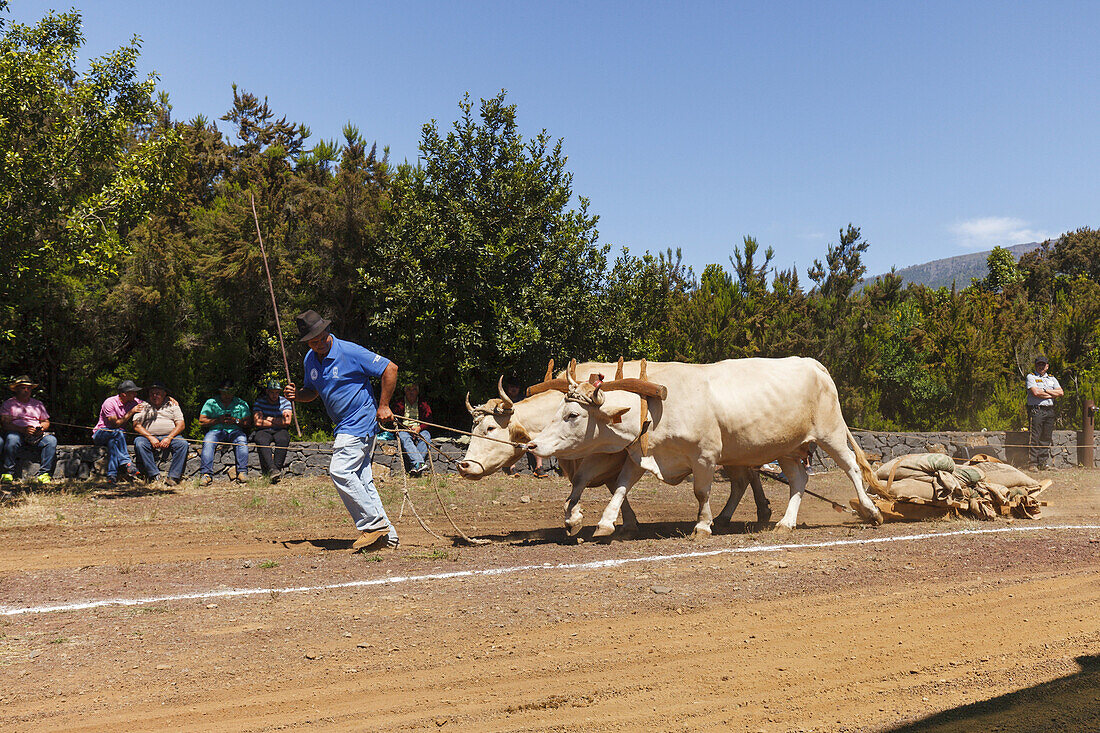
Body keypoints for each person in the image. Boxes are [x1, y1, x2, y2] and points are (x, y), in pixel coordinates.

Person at [284, 310, 399, 551]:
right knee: (362, 479)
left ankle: (373, 524)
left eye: (319, 339)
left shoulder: (349, 351)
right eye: (311, 342)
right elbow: (312, 391)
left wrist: (384, 405)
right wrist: (297, 396)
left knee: (340, 470)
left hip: (359, 421)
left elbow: (391, 368)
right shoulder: (310, 359)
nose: (316, 345)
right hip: (343, 426)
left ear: (327, 331)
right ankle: (388, 538)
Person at [1, 376, 57, 484]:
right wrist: (23, 429)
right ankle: (8, 473)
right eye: (23, 388)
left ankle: (44, 474)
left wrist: (41, 429)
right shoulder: (8, 404)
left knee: (51, 440)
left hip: (36, 435)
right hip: (17, 433)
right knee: (12, 438)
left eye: (29, 388)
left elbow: (46, 421)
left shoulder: (38, 404)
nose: (26, 390)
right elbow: (5, 424)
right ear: (16, 389)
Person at [132, 381, 188, 486]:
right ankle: (154, 475)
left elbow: (181, 425)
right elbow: (136, 425)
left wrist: (169, 438)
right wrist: (150, 437)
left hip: (170, 436)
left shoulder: (173, 405)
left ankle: (173, 477)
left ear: (164, 394)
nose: (154, 396)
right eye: (152, 393)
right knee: (139, 443)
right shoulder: (143, 406)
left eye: (157, 393)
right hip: (148, 437)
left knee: (182, 444)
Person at [198, 380, 251, 485]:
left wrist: (235, 420)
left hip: (235, 431)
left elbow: (248, 422)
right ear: (220, 392)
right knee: (208, 441)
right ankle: (206, 474)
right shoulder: (211, 402)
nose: (227, 395)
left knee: (242, 440)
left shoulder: (241, 403)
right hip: (216, 430)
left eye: (229, 392)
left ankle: (242, 472)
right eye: (224, 392)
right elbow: (201, 421)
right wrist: (218, 420)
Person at [93, 380, 143, 484]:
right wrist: (131, 412)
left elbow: (149, 404)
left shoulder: (134, 401)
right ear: (124, 394)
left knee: (113, 444)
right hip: (101, 433)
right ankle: (126, 462)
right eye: (133, 392)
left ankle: (112, 476)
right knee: (119, 432)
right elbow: (115, 424)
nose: (136, 394)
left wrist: (169, 399)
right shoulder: (110, 403)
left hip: (116, 437)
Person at [502, 378, 550, 478]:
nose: (514, 389)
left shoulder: (524, 400)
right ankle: (512, 468)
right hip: (510, 428)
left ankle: (539, 467)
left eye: (516, 387)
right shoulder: (502, 400)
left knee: (534, 440)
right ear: (507, 388)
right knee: (510, 440)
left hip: (525, 427)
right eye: (511, 387)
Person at [1026, 355, 1063, 471]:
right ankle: (1032, 463)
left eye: (1043, 364)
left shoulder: (1052, 379)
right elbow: (1036, 393)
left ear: (1047, 366)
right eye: (1039, 364)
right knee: (1035, 437)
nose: (1041, 367)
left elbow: (1061, 392)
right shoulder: (1031, 377)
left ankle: (1043, 463)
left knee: (1046, 437)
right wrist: (1052, 393)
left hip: (1049, 411)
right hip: (1037, 410)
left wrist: (1045, 391)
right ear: (1036, 366)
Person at [252, 379, 293, 483]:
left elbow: (287, 421)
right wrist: (277, 421)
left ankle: (276, 470)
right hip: (264, 430)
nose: (274, 395)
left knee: (283, 439)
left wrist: (268, 419)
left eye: (277, 392)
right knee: (260, 439)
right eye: (272, 392)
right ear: (267, 391)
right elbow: (257, 422)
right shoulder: (260, 402)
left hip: (280, 430)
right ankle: (272, 469)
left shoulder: (285, 402)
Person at [393, 383, 432, 477]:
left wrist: (420, 428)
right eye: (408, 390)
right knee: (403, 437)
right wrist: (406, 428)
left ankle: (417, 465)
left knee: (426, 436)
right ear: (405, 391)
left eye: (414, 390)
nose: (411, 392)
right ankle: (419, 463)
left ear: (417, 392)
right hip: (404, 429)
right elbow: (394, 420)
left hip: (419, 429)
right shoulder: (399, 403)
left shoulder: (423, 403)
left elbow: (429, 421)